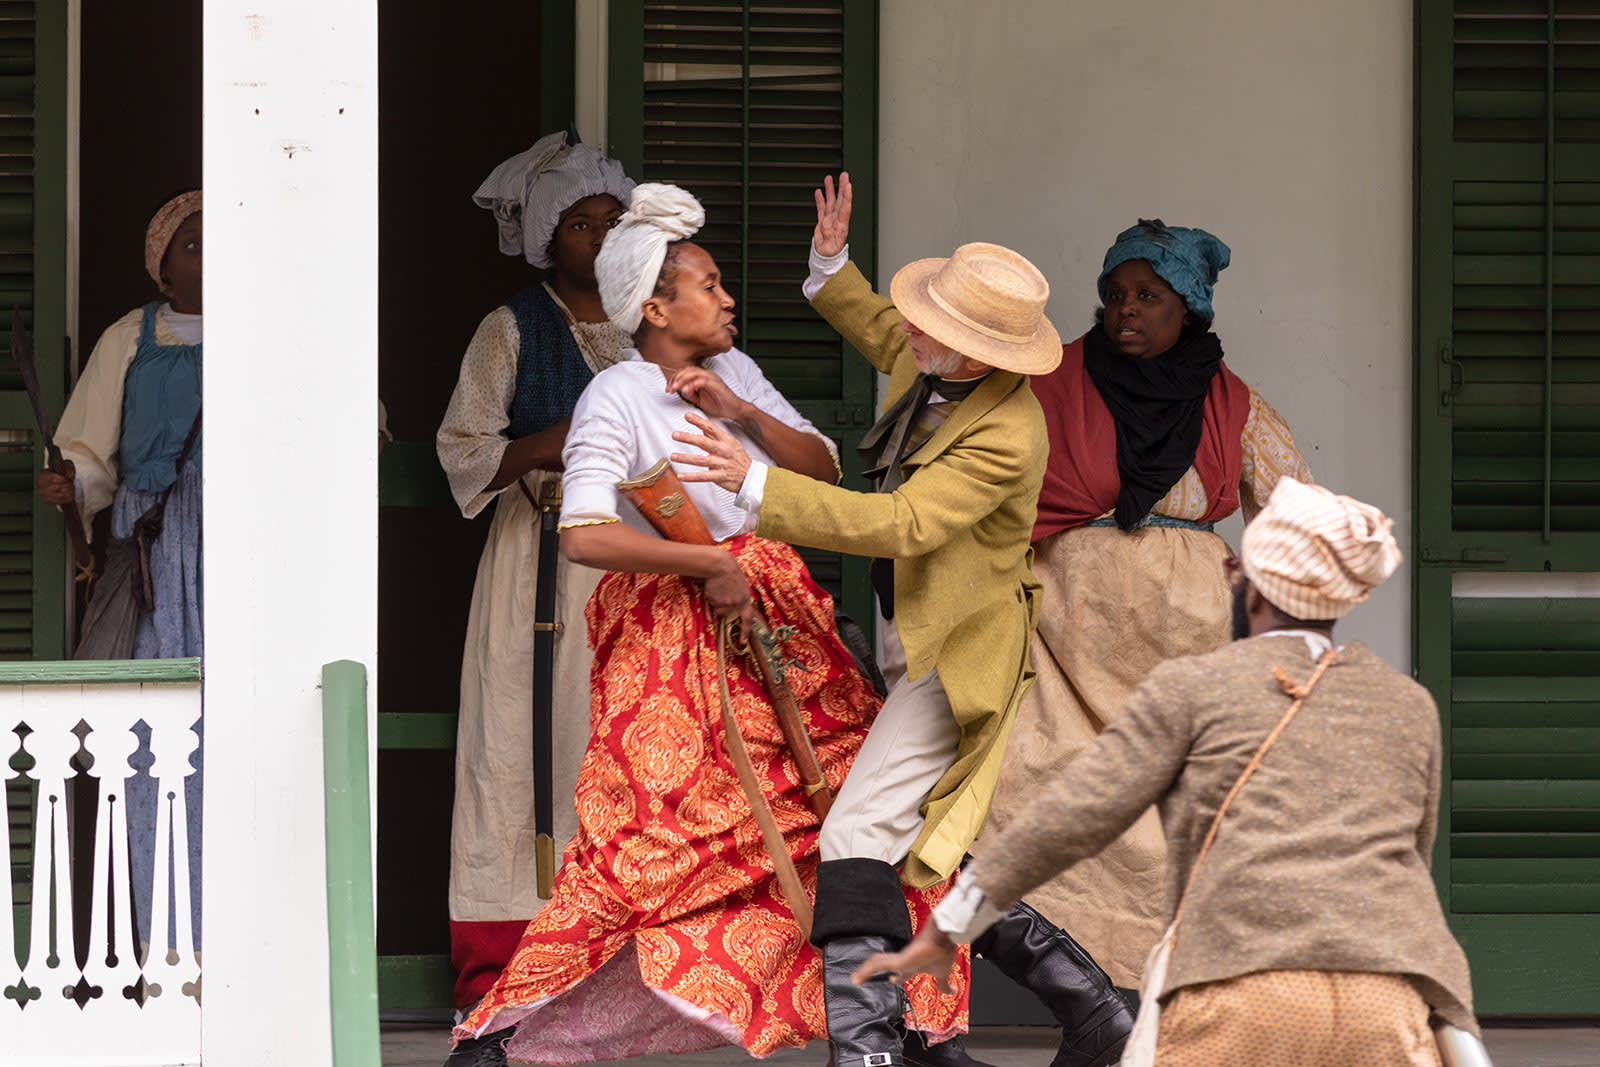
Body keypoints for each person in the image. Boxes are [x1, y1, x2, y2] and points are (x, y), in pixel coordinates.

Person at [451, 184, 970, 1066]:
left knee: (860, 801)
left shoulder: (733, 372)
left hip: (779, 619)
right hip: (669, 645)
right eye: (710, 284)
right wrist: (707, 563)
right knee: (648, 851)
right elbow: (583, 534)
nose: (729, 298)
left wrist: (745, 416)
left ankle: (915, 1024)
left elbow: (826, 466)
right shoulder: (614, 395)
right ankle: (502, 1036)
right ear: (655, 308)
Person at [676, 186, 1131, 1067]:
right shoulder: (936, 364)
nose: (911, 331)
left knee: (856, 836)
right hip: (908, 630)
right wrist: (830, 266)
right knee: (925, 852)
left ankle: (870, 1051)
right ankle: (1096, 1011)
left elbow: (904, 524)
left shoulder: (1009, 433)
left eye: (932, 327)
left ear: (974, 354)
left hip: (959, 654)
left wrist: (754, 482)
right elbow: (885, 332)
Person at [856, 479, 1478, 1067]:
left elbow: (1065, 821)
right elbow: (1406, 866)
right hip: (1388, 1003)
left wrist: (950, 927)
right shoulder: (1408, 704)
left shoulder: (1193, 690)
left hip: (1234, 996)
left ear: (1255, 590)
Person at [979, 216, 1315, 990]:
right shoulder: (1047, 383)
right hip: (1064, 642)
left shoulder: (1235, 406)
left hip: (1189, 650)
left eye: (1149, 295)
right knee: (1040, 783)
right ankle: (1092, 998)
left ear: (1188, 307)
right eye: (1115, 293)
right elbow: (979, 480)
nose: (1126, 309)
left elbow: (1298, 515)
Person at [436, 132, 635, 1025]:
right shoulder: (510, 326)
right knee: (520, 753)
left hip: (637, 560)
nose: (599, 237)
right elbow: (464, 450)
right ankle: (509, 981)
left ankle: (629, 977)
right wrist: (556, 440)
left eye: (612, 221)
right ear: (546, 237)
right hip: (540, 569)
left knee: (625, 751)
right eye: (581, 224)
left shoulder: (658, 319)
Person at [39, 191, 204, 962]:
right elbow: (88, 453)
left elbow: (348, 419)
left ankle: (243, 944)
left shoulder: (278, 328)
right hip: (156, 554)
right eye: (192, 242)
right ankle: (165, 944)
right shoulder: (129, 339)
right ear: (161, 263)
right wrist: (71, 481)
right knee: (152, 741)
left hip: (245, 550)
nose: (209, 254)